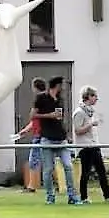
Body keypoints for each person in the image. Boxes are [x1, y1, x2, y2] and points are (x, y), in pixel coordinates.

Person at [34, 76, 81, 205]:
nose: (63, 88)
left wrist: (66, 134)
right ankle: (50, 196)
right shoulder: (41, 98)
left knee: (68, 166)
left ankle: (72, 196)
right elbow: (33, 115)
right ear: (57, 86)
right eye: (62, 86)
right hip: (47, 139)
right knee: (48, 169)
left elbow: (61, 119)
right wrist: (49, 116)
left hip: (61, 139)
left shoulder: (60, 100)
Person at [72, 85, 109, 203]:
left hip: (94, 145)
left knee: (101, 171)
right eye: (94, 96)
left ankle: (107, 196)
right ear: (88, 96)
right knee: (86, 172)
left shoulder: (90, 112)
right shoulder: (79, 112)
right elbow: (78, 131)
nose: (96, 99)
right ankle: (84, 197)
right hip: (85, 147)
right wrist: (91, 124)